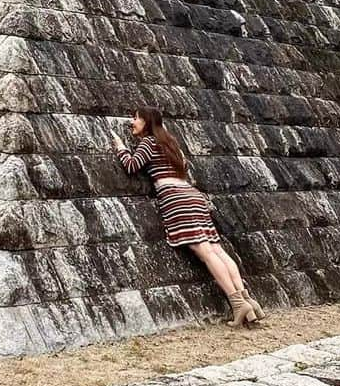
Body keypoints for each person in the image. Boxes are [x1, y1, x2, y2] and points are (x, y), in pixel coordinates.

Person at [110, 107, 263, 328]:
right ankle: (247, 301)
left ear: (147, 121)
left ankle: (237, 303)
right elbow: (185, 166)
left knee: (206, 253)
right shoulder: (171, 143)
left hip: (175, 198)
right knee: (217, 249)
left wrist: (121, 148)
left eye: (135, 118)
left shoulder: (148, 142)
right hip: (192, 195)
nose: (132, 122)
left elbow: (132, 166)